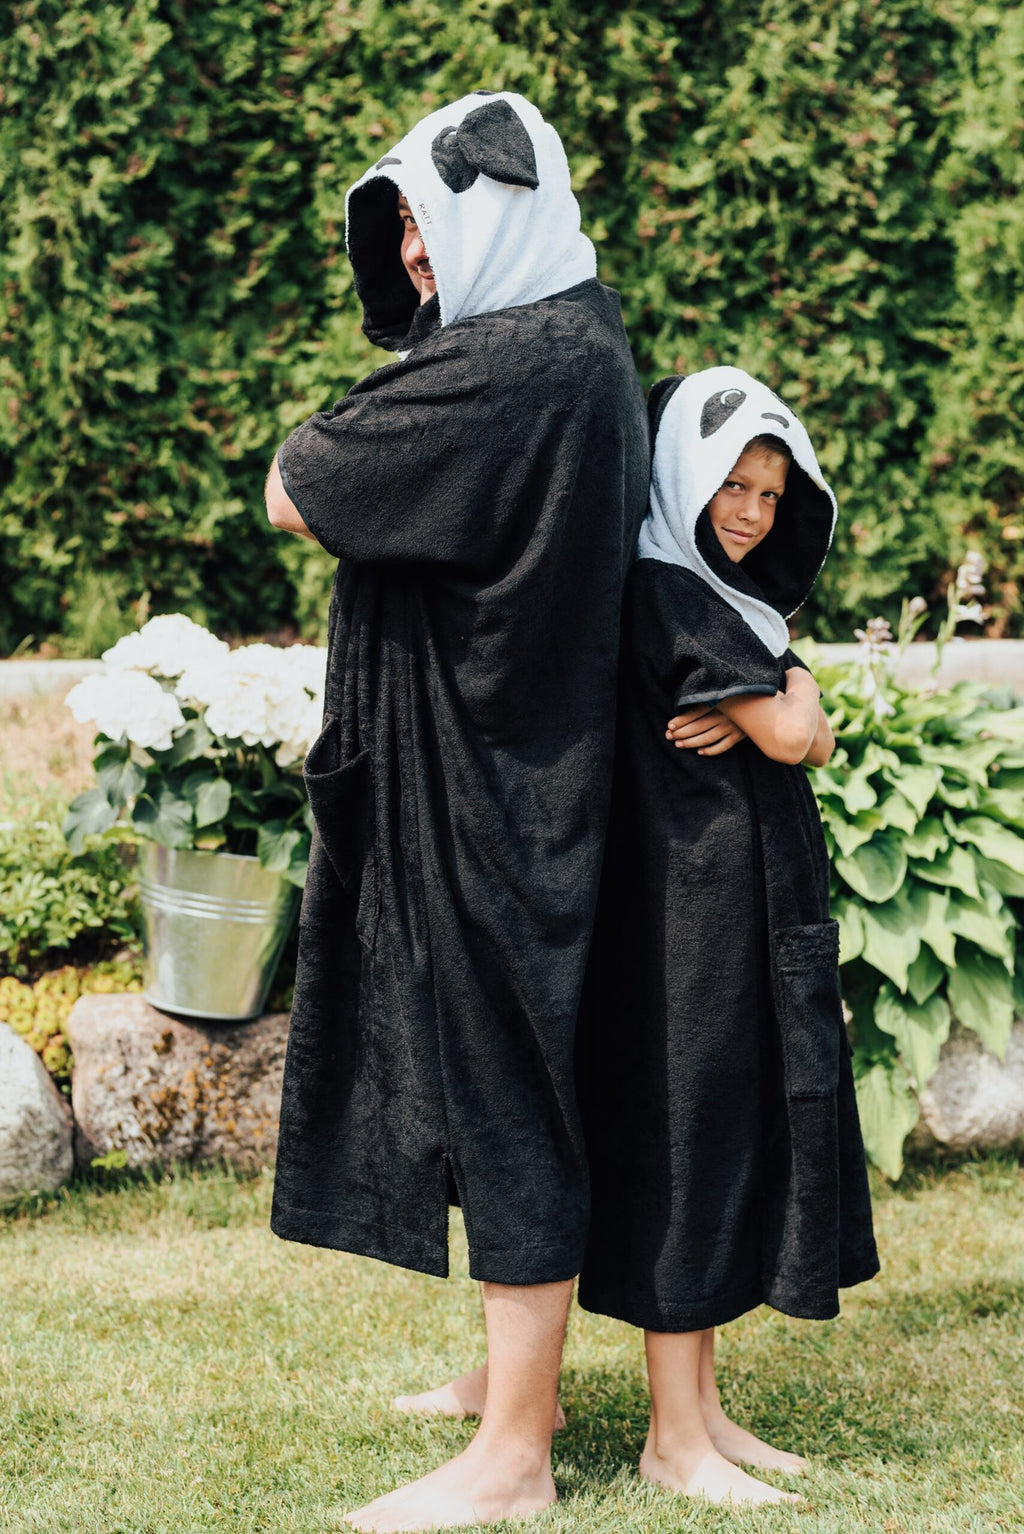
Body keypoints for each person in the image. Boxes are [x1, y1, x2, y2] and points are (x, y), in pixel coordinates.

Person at [264, 90, 649, 1532]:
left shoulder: (518, 360)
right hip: (504, 765)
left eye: (429, 226)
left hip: (497, 782)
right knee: (491, 1078)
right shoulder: (574, 335)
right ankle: (507, 1390)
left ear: (501, 215)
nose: (414, 263)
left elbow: (296, 486)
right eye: (403, 236)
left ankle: (517, 1458)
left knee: (504, 1088)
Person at [575, 366, 880, 1505]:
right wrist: (787, 699)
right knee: (690, 1148)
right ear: (680, 478)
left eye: (770, 488)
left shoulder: (726, 599)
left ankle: (702, 1409)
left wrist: (783, 692)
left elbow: (808, 732)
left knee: (722, 1134)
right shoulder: (672, 589)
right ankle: (671, 1442)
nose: (751, 511)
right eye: (730, 485)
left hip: (737, 912)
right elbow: (803, 735)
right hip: (688, 926)